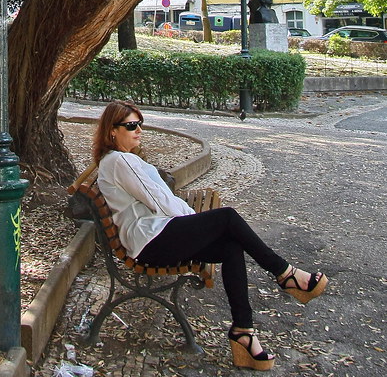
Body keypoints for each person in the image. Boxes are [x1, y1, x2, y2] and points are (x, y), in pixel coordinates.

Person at [94, 101, 328, 371]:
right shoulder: (120, 161)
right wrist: (197, 223)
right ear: (112, 131)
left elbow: (160, 199)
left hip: (155, 235)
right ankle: (284, 273)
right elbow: (160, 199)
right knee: (226, 218)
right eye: (131, 126)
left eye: (140, 124)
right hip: (150, 241)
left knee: (230, 245)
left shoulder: (120, 160)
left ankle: (244, 331)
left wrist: (196, 224)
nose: (138, 130)